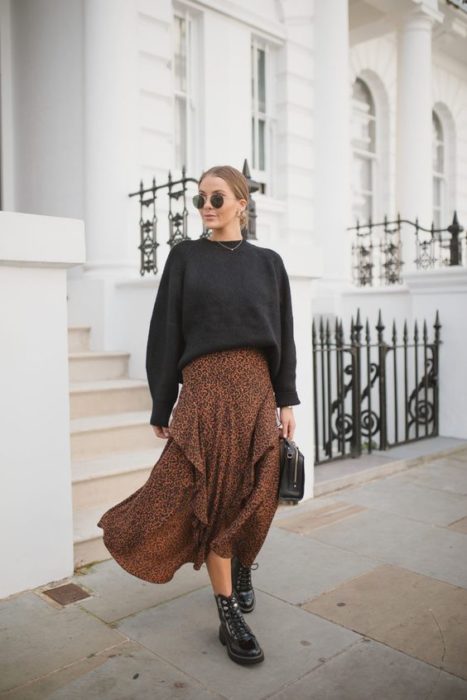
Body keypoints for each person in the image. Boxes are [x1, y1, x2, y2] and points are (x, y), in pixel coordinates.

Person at [97, 164, 300, 666]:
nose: (206, 207)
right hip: (206, 391)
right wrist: (163, 400)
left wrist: (286, 398)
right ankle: (228, 608)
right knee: (206, 494)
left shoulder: (269, 263)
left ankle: (241, 560)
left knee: (259, 490)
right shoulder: (185, 257)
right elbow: (164, 331)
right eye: (200, 200)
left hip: (255, 388)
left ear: (241, 203)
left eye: (216, 198)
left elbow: (285, 333)